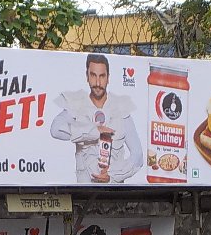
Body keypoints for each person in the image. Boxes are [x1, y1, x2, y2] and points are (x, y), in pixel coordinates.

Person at [50, 53, 143, 184]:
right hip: (84, 198)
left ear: (108, 78)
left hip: (114, 197)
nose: (98, 83)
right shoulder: (76, 105)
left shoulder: (121, 107)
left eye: (102, 76)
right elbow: (55, 129)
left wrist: (112, 175)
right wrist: (94, 131)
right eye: (93, 75)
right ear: (87, 76)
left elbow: (138, 156)